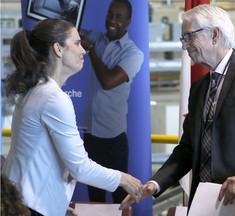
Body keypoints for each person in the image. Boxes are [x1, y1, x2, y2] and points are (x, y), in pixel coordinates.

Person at [120, 4, 235, 216]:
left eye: (189, 37)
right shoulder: (199, 88)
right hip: (204, 204)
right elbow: (187, 149)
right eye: (183, 39)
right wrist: (154, 184)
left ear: (215, 34)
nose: (185, 46)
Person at [1, 18, 143, 216]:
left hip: (20, 203)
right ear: (58, 49)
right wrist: (125, 180)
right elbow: (80, 167)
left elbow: (37, 158)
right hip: (28, 206)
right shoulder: (53, 98)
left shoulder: (36, 90)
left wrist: (55, 202)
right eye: (76, 43)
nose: (83, 50)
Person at [80, 0, 144, 203]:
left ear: (128, 22)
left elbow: (108, 81)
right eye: (110, 14)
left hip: (113, 138)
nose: (112, 20)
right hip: (91, 134)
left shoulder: (134, 53)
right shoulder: (95, 37)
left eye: (119, 17)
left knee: (119, 200)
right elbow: (68, 30)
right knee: (95, 199)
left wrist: (91, 51)